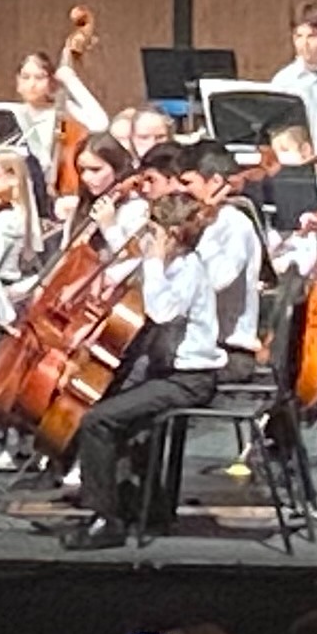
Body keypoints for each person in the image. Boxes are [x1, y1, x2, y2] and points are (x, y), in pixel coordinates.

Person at [58, 191, 227, 553]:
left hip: (189, 380)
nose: (147, 236)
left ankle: (106, 521)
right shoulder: (168, 264)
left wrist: (151, 261)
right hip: (166, 373)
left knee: (99, 421)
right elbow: (125, 271)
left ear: (172, 234)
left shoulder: (190, 269)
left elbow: (162, 310)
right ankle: (139, 502)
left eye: (154, 230)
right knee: (108, 405)